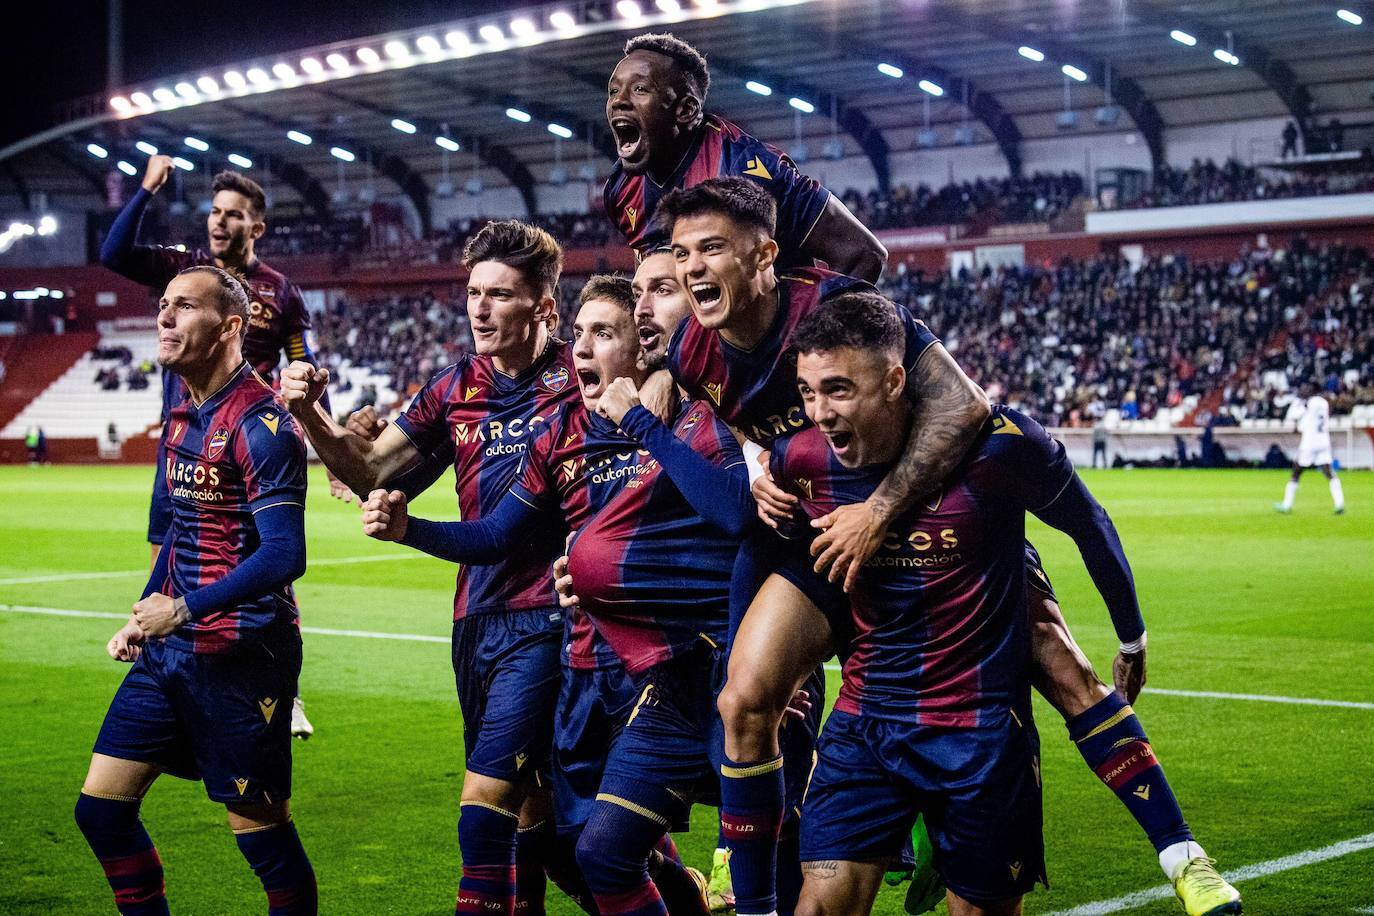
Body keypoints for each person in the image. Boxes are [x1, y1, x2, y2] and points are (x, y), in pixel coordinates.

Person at [775, 293, 1240, 916]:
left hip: (978, 736)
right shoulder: (800, 462)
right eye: (807, 392)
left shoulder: (1002, 448)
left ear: (894, 380)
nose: (820, 413)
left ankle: (1184, 854)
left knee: (1066, 667)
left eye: (837, 390)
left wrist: (1131, 637)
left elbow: (1090, 524)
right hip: (866, 726)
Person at [362, 276, 748, 914]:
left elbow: (731, 516)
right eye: (581, 334)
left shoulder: (688, 418)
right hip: (583, 666)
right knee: (578, 844)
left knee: (683, 833)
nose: (584, 349)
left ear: (642, 349)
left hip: (668, 670)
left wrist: (642, 422)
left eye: (605, 333)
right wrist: (410, 530)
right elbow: (497, 534)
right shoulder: (557, 432)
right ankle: (689, 901)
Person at [657, 177, 988, 915]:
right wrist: (752, 462)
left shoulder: (837, 308)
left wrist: (879, 510)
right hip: (810, 539)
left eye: (711, 247)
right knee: (744, 700)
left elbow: (962, 404)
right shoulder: (690, 350)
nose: (692, 268)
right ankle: (755, 905)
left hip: (916, 530)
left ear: (766, 253)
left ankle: (947, 825)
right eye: (681, 253)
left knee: (1052, 668)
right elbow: (748, 424)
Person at [281, 220, 575, 914]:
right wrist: (313, 418)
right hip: (475, 617)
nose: (479, 307)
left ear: (543, 306)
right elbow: (372, 471)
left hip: (551, 616)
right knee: (536, 810)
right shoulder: (456, 386)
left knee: (484, 806)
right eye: (474, 292)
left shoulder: (579, 380)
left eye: (500, 295)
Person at [76, 265, 316, 915]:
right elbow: (183, 528)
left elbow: (285, 555)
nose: (164, 317)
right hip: (170, 650)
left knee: (262, 842)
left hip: (243, 657)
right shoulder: (182, 410)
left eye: (184, 307)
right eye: (163, 305)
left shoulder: (264, 425)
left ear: (230, 327)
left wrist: (180, 609)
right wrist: (142, 612)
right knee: (100, 811)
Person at [100, 156, 323, 739]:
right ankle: (164, 658)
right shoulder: (184, 273)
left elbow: (303, 367)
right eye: (215, 212)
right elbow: (114, 254)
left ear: (257, 227)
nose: (220, 223)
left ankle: (284, 687)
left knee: (268, 557)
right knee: (170, 546)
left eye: (234, 215)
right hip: (181, 438)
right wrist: (146, 190)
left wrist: (324, 435)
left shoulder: (282, 292)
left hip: (247, 441)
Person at [604, 32, 886, 282]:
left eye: (640, 89)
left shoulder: (745, 170)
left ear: (687, 110)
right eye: (613, 91)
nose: (618, 101)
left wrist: (805, 338)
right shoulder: (619, 188)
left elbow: (863, 254)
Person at [1276, 382, 1345, 514]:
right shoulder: (1323, 403)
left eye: (1305, 388)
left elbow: (1293, 415)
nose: (1302, 390)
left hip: (1310, 442)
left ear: (1311, 390)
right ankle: (1339, 503)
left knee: (1296, 472)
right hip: (1324, 440)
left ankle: (1287, 504)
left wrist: (1297, 401)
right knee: (1329, 472)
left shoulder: (1309, 402)